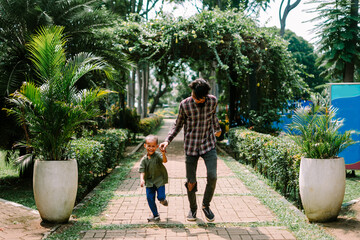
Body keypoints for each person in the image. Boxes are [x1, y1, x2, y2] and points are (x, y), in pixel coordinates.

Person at [159, 78, 221, 222]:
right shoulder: (185, 105)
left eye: (198, 98)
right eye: (193, 95)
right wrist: (167, 140)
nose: (194, 99)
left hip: (208, 144)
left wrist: (217, 129)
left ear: (205, 97)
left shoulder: (212, 101)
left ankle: (206, 205)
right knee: (191, 181)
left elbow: (213, 117)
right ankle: (193, 209)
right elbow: (177, 124)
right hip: (191, 146)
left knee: (213, 176)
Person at [139, 135, 169, 222]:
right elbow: (142, 170)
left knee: (160, 197)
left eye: (153, 146)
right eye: (149, 146)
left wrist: (163, 153)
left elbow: (164, 161)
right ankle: (155, 215)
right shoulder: (144, 160)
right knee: (149, 198)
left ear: (156, 146)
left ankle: (163, 200)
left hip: (159, 180)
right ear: (145, 146)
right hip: (149, 182)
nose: (151, 148)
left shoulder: (158, 155)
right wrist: (142, 179)